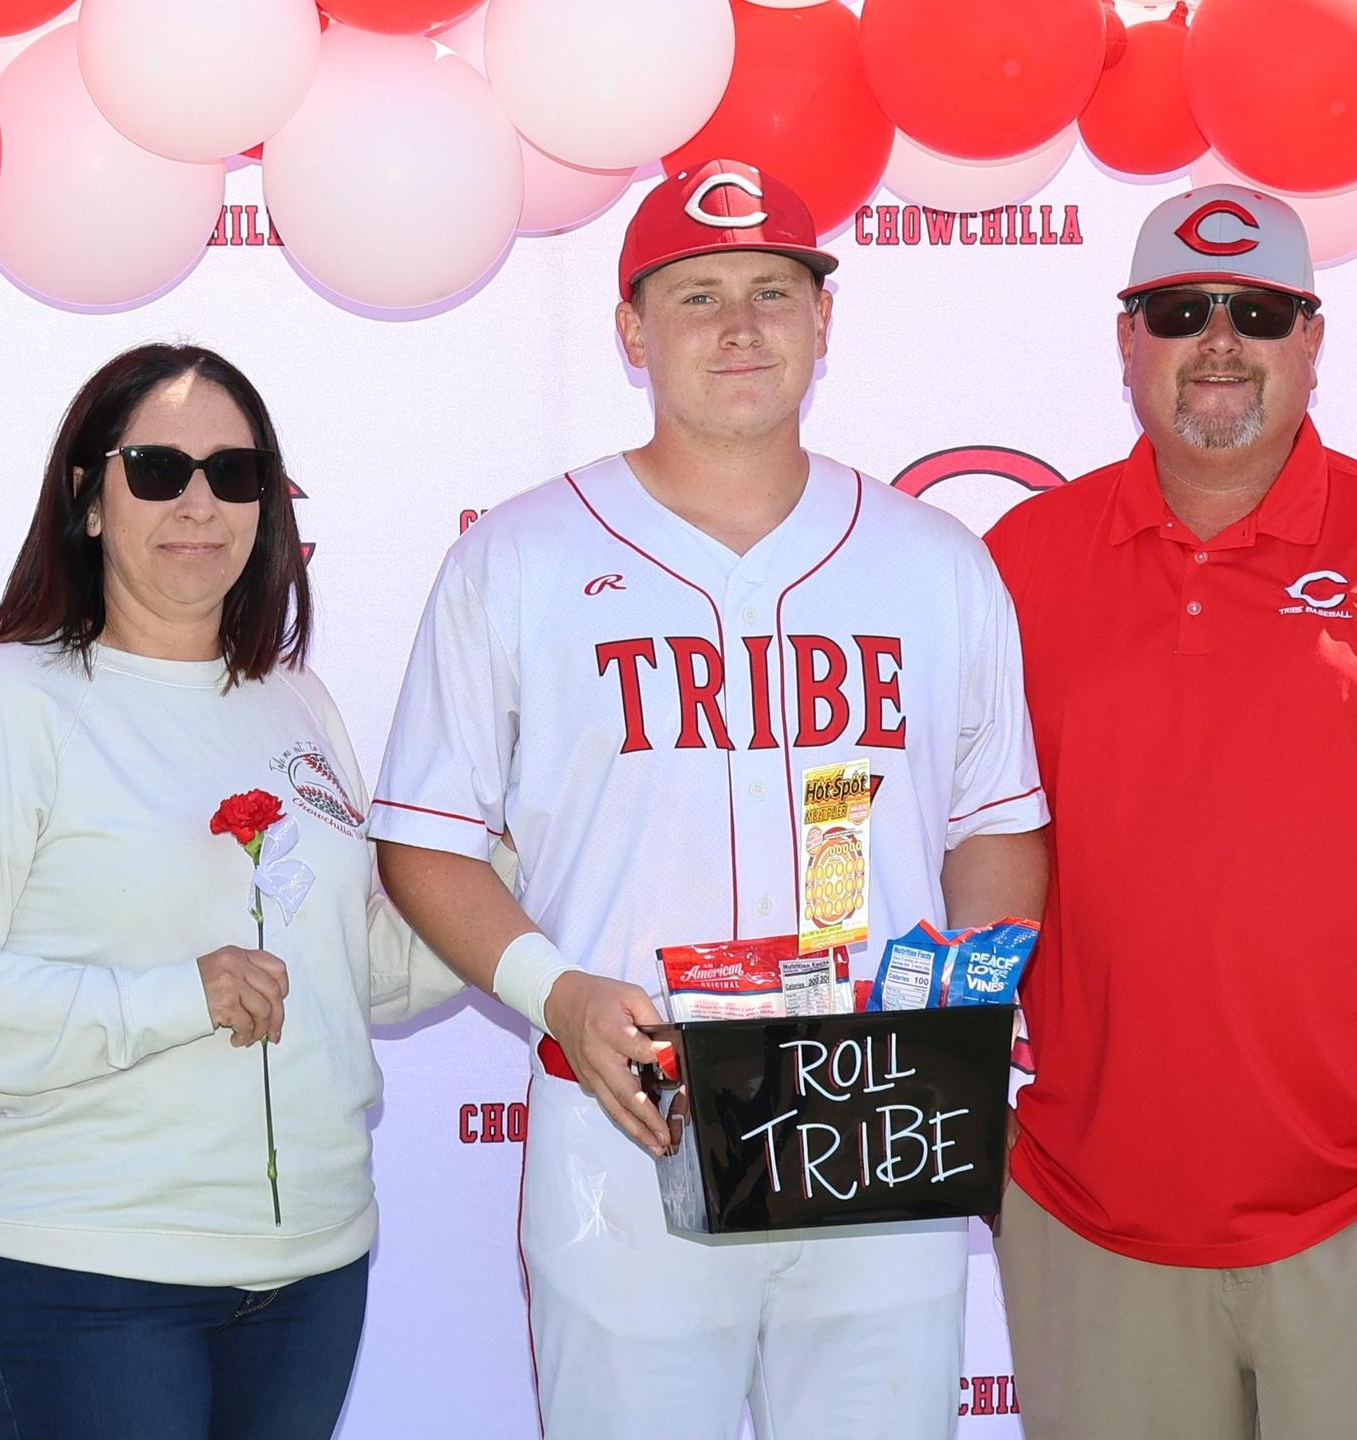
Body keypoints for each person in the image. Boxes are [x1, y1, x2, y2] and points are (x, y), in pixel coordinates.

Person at [370, 159, 1049, 1440]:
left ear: (823, 321)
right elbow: (427, 846)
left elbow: (998, 825)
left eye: (773, 291)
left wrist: (961, 1003)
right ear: (632, 330)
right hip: (632, 1115)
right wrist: (554, 994)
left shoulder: (935, 561)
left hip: (873, 1121)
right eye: (696, 296)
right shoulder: (519, 558)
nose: (740, 326)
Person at [983, 185, 1357, 1440]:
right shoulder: (1022, 559)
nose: (1220, 339)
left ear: (1312, 340)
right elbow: (955, 839)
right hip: (1094, 1222)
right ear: (1125, 338)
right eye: (1181, 309)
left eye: (1259, 312)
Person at [0, 343, 471, 1440]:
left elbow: (349, 972)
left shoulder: (297, 700)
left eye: (236, 475)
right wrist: (175, 996)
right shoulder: (7, 703)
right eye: (157, 468)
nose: (199, 502)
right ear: (88, 500)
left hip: (312, 1268)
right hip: (91, 1271)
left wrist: (506, 869)